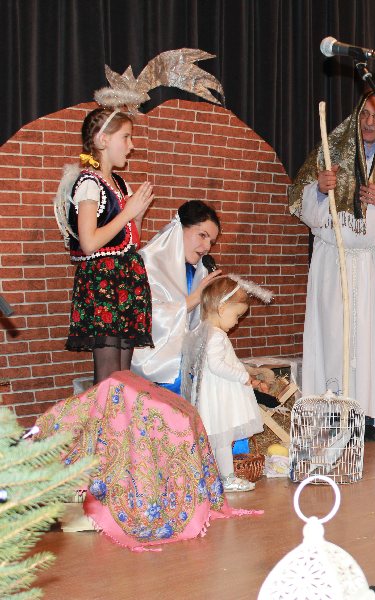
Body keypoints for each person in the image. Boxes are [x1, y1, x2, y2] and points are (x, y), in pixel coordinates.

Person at [289, 89, 375, 442]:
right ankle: (335, 413)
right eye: (364, 113)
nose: (368, 122)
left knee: (372, 340)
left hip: (374, 265)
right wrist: (320, 189)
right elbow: (300, 201)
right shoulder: (332, 150)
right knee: (334, 336)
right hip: (334, 263)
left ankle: (368, 416)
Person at [55, 106, 155, 384]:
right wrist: (127, 212)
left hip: (125, 278)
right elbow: (89, 243)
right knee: (109, 374)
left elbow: (129, 242)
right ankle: (105, 414)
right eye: (126, 137)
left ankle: (119, 414)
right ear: (103, 140)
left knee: (123, 375)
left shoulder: (120, 184)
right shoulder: (89, 183)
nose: (131, 145)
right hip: (103, 282)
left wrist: (137, 216)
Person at [182, 276, 274, 492]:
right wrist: (242, 376)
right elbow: (216, 365)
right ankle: (227, 478)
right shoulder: (217, 336)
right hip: (220, 398)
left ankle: (217, 476)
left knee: (219, 441)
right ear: (222, 309)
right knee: (223, 440)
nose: (237, 322)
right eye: (237, 315)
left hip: (214, 396)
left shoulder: (205, 333)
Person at [132, 201, 224, 393]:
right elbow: (145, 317)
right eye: (202, 235)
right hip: (156, 366)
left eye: (211, 242)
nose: (207, 247)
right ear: (180, 228)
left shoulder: (194, 271)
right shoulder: (146, 263)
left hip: (187, 361)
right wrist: (194, 299)